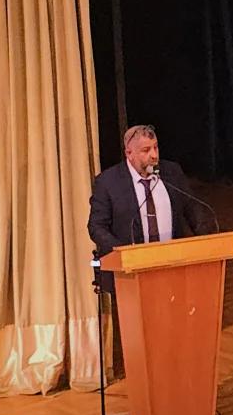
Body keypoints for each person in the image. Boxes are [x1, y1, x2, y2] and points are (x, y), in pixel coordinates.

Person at [87, 124, 215, 294]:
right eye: (146, 150)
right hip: (130, 274)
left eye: (155, 147)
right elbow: (96, 226)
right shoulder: (108, 182)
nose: (154, 155)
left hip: (172, 266)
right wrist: (123, 252)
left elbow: (191, 207)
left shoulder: (171, 172)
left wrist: (206, 240)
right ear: (129, 154)